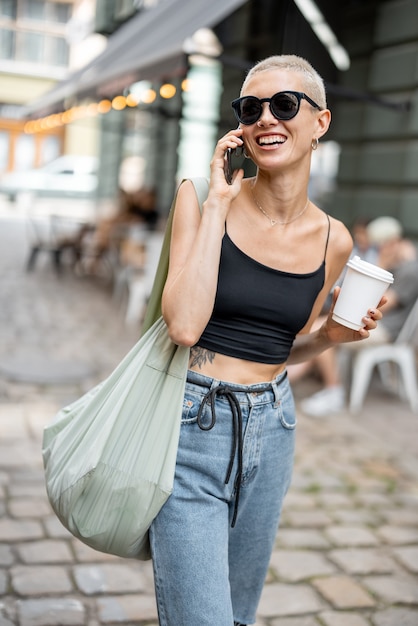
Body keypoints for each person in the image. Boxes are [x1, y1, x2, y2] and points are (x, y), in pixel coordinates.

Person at [150, 55, 384, 626]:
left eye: (284, 105)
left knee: (238, 616)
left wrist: (329, 335)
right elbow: (183, 325)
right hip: (190, 427)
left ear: (320, 123)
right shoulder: (200, 197)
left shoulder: (334, 240)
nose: (264, 119)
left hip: (271, 431)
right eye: (250, 108)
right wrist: (217, 208)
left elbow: (281, 348)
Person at [297, 216, 417, 417]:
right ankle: (289, 374)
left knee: (324, 330)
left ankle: (334, 390)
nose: (379, 251)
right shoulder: (396, 265)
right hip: (374, 324)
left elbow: (378, 305)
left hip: (386, 330)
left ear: (394, 242)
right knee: (319, 327)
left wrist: (382, 262)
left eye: (382, 246)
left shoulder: (410, 270)